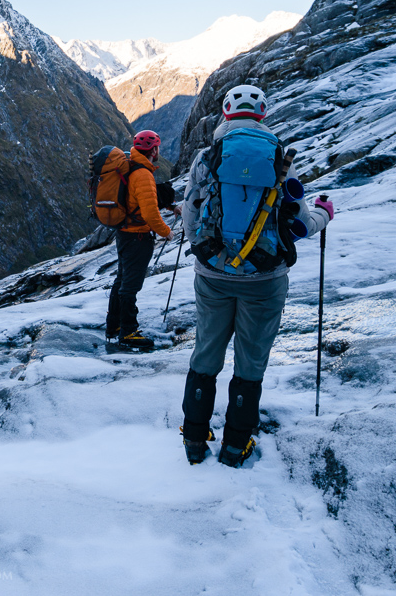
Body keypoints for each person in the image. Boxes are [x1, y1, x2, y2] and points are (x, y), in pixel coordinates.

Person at [179, 84, 334, 466]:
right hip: (265, 280)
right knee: (251, 361)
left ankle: (195, 439)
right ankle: (236, 446)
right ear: (262, 113)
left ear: (226, 114)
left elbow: (191, 214)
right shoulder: (280, 160)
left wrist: (212, 253)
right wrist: (324, 214)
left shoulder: (206, 156)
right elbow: (297, 225)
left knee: (206, 353)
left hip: (212, 275)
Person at [106, 130, 178, 351]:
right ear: (154, 150)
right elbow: (149, 214)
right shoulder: (143, 174)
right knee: (130, 285)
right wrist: (166, 231)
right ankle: (129, 332)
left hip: (125, 233)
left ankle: (114, 327)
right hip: (137, 237)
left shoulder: (132, 165)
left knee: (121, 280)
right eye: (158, 147)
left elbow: (141, 199)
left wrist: (168, 205)